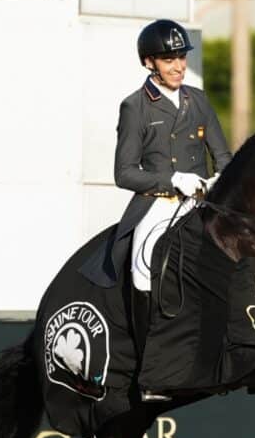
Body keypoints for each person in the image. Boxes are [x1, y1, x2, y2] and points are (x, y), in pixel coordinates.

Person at [80, 19, 232, 300]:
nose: (179, 67)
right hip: (158, 204)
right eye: (169, 60)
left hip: (200, 203)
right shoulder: (135, 107)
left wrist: (221, 179)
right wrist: (173, 180)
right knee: (143, 266)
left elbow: (223, 157)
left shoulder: (198, 100)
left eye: (182, 57)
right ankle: (147, 336)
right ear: (150, 62)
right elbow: (124, 173)